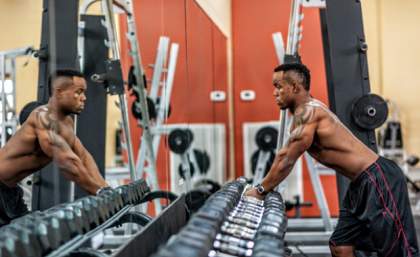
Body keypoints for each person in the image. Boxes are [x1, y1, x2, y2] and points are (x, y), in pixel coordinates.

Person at [244, 63, 419, 257]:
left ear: (294, 87)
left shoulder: (308, 112)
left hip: (378, 179)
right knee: (341, 245)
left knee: (399, 252)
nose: (275, 93)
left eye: (278, 86)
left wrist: (260, 190)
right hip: (359, 184)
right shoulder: (305, 113)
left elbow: (286, 158)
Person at [0, 69, 109, 226]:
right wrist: (98, 192)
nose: (84, 97)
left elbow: (83, 157)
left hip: (10, 191)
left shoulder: (67, 123)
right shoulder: (42, 117)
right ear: (59, 92)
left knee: (31, 239)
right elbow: (67, 162)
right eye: (79, 92)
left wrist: (106, 190)